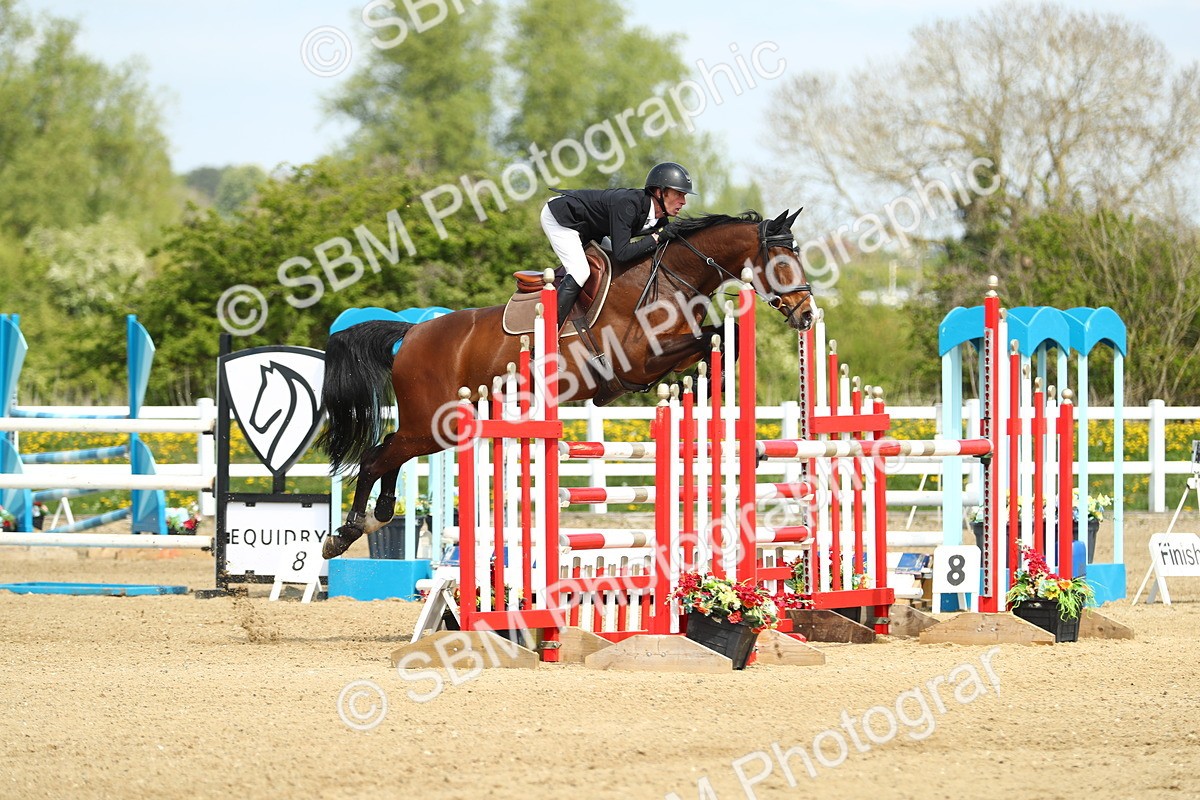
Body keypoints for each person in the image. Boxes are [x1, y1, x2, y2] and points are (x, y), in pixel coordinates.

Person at [540, 161, 695, 328]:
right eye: (679, 194)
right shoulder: (628, 205)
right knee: (580, 272)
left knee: (611, 266)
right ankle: (547, 332)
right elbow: (622, 253)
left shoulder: (660, 218)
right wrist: (657, 237)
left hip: (591, 229)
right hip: (563, 218)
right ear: (659, 192)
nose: (683, 201)